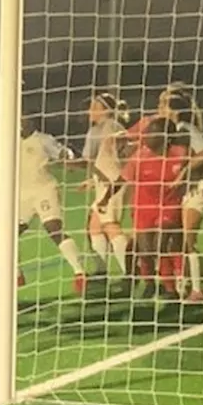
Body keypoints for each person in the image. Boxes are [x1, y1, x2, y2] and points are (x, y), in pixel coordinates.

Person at [95, 117, 187, 300]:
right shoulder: (140, 156)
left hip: (169, 206)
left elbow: (196, 169)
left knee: (160, 245)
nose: (146, 136)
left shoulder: (180, 154)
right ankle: (150, 284)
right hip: (144, 207)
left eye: (151, 133)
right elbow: (122, 180)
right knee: (145, 250)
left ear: (164, 137)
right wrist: (105, 198)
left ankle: (171, 288)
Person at [159, 84, 203, 301]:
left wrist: (184, 171)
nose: (159, 109)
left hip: (197, 187)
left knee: (186, 240)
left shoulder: (185, 128)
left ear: (173, 110)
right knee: (176, 240)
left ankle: (197, 291)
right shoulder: (169, 132)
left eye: (163, 105)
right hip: (182, 191)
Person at [19, 117, 87, 295]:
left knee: (53, 229)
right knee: (9, 233)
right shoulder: (10, 142)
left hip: (44, 190)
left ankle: (79, 272)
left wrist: (70, 159)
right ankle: (16, 275)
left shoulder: (43, 139)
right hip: (22, 195)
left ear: (32, 123)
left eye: (24, 120)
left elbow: (63, 153)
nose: (21, 123)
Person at [81, 93, 132, 285]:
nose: (90, 111)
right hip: (115, 182)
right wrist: (93, 181)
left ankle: (130, 272)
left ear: (106, 110)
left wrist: (67, 161)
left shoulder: (100, 130)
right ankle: (102, 271)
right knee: (94, 226)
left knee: (111, 227)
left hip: (112, 185)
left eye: (94, 106)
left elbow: (89, 160)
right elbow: (111, 160)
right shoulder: (117, 128)